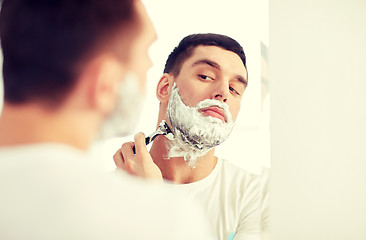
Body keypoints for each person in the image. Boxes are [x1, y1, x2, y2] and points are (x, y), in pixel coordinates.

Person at [0, 0, 213, 239]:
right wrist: (152, 202)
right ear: (105, 83)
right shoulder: (165, 219)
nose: (150, 65)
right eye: (144, 51)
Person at [113, 33, 269, 240]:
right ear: (165, 88)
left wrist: (154, 201)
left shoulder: (258, 195)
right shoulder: (101, 193)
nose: (223, 92)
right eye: (206, 76)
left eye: (234, 89)